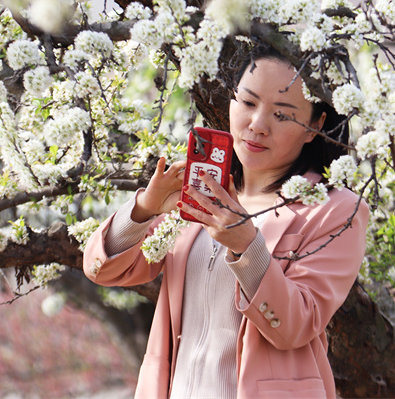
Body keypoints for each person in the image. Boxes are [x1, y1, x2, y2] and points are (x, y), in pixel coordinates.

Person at [83, 46, 370, 399]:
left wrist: (247, 246)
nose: (257, 125)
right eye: (248, 103)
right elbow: (105, 271)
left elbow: (297, 326)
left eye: (282, 115)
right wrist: (145, 208)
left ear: (314, 126)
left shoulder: (335, 210)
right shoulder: (203, 189)